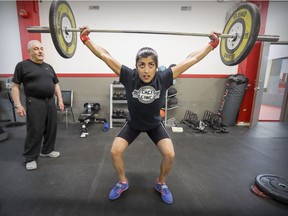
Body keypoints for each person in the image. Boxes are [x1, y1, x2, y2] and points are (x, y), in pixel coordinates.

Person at [80, 26, 220, 204]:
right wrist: (86, 40)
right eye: (141, 65)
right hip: (133, 124)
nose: (146, 70)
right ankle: (122, 182)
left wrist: (211, 45)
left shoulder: (164, 77)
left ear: (156, 66)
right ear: (136, 66)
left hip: (154, 125)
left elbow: (191, 59)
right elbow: (105, 55)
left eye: (150, 65)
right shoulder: (129, 76)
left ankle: (161, 183)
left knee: (169, 155)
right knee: (115, 151)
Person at [11, 40, 64, 171]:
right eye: (35, 49)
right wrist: (18, 104)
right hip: (34, 101)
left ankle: (47, 150)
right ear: (29, 51)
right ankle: (30, 158)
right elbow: (15, 86)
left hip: (50, 101)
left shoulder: (48, 66)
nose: (40, 51)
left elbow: (56, 84)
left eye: (41, 48)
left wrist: (60, 99)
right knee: (35, 130)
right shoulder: (22, 66)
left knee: (52, 127)